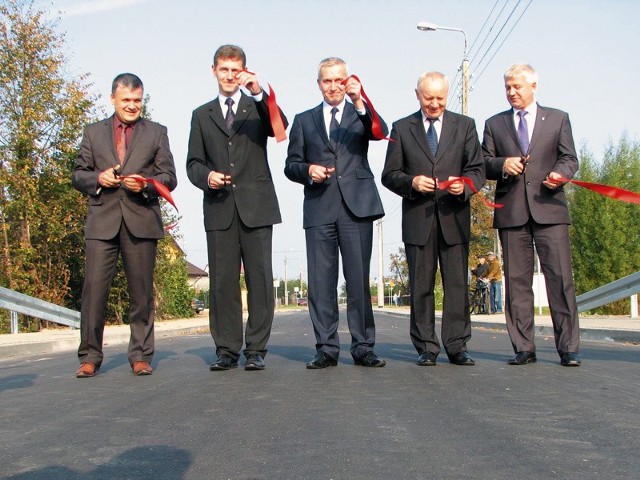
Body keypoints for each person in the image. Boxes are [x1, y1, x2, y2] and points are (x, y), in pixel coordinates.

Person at [187, 45, 287, 371]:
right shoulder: (202, 115)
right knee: (222, 283)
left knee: (259, 281)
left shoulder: (256, 107)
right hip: (219, 209)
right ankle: (226, 350)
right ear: (213, 70)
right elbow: (192, 164)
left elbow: (279, 129)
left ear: (244, 71)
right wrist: (207, 176)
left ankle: (256, 349)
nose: (230, 76)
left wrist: (259, 93)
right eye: (224, 69)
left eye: (236, 70)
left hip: (257, 207)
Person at [72, 73, 178, 378]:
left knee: (142, 293)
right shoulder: (93, 133)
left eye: (137, 100)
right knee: (93, 292)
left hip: (141, 221)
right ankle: (90, 355)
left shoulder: (156, 133)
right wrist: (97, 179)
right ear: (113, 99)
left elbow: (168, 177)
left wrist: (145, 186)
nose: (132, 106)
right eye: (126, 100)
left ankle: (141, 355)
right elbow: (78, 174)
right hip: (102, 222)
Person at [284, 57, 387, 369]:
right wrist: (307, 170)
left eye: (338, 80)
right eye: (326, 81)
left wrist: (360, 99)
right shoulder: (303, 120)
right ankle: (326, 348)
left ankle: (363, 347)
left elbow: (380, 131)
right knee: (321, 284)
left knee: (357, 282)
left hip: (357, 208)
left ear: (348, 81)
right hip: (319, 208)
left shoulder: (359, 113)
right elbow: (291, 165)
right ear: (318, 84)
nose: (332, 86)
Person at [382, 71, 485, 367]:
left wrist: (464, 186)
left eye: (440, 98)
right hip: (419, 221)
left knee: (456, 286)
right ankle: (426, 346)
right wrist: (412, 183)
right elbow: (389, 175)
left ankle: (457, 346)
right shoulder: (402, 128)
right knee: (421, 286)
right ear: (417, 95)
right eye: (429, 98)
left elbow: (477, 169)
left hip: (454, 218)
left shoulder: (465, 126)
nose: (435, 104)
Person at [482, 64, 581, 367]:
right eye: (507, 87)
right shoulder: (494, 124)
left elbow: (570, 158)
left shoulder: (557, 119)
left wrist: (559, 174)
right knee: (517, 282)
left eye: (517, 87)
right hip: (511, 213)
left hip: (549, 209)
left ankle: (568, 348)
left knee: (560, 279)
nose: (512, 92)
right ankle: (524, 347)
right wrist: (502, 165)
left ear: (534, 86)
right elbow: (483, 163)